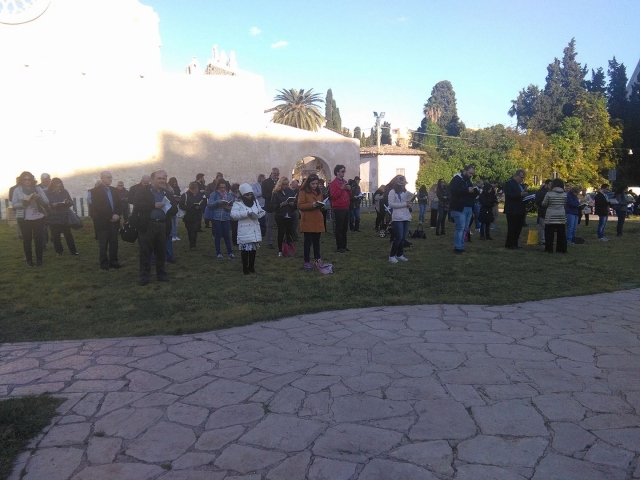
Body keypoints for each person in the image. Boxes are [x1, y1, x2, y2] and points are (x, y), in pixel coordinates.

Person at [132, 170, 176, 285]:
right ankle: (144, 277)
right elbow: (137, 206)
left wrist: (168, 207)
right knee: (145, 252)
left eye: (164, 178)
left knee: (161, 252)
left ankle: (161, 275)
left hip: (162, 225)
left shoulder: (167, 193)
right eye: (159, 178)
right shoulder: (142, 192)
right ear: (152, 180)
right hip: (147, 225)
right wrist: (153, 205)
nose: (162, 180)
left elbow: (175, 209)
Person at [12, 171, 49, 266]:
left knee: (38, 239)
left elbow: (46, 201)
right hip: (24, 218)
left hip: (38, 217)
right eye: (25, 180)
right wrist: (23, 203)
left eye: (29, 179)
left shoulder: (37, 188)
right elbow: (14, 204)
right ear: (21, 180)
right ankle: (29, 261)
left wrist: (38, 198)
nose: (27, 181)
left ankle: (39, 260)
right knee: (27, 240)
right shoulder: (17, 190)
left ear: (32, 180)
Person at [89, 171, 123, 270]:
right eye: (108, 177)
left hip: (115, 221)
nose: (110, 179)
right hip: (103, 221)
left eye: (111, 177)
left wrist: (117, 214)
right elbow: (98, 207)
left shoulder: (114, 190)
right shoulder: (95, 191)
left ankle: (114, 261)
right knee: (103, 243)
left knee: (114, 242)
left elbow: (119, 204)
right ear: (102, 178)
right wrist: (110, 216)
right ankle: (104, 262)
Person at [230, 183, 265, 274]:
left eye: (250, 194)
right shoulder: (238, 203)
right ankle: (245, 268)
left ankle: (251, 267)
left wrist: (260, 214)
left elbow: (260, 210)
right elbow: (233, 215)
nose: (249, 196)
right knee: (245, 250)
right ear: (242, 194)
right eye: (247, 194)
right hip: (244, 229)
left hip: (254, 228)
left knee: (253, 250)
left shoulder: (255, 202)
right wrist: (246, 213)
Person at [297, 174, 327, 270]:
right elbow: (300, 206)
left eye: (316, 184)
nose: (314, 185)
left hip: (317, 219)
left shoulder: (319, 192)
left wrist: (321, 206)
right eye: (313, 183)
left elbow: (321, 202)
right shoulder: (303, 192)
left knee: (317, 242)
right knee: (308, 242)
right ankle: (307, 261)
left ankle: (317, 259)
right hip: (308, 220)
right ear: (308, 183)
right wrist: (312, 205)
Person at [46, 177, 79, 256]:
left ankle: (73, 251)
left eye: (59, 186)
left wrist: (68, 202)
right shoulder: (47, 193)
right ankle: (59, 251)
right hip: (53, 216)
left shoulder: (64, 191)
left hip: (64, 216)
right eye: (56, 187)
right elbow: (45, 204)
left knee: (68, 234)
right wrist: (52, 205)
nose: (58, 188)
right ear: (52, 186)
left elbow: (71, 202)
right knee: (55, 235)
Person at [449, 166, 477, 253]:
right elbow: (453, 190)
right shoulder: (456, 179)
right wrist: (466, 190)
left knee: (465, 228)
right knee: (460, 228)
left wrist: (475, 192)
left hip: (468, 207)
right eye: (470, 173)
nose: (471, 175)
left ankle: (461, 246)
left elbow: (469, 192)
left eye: (472, 174)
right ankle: (457, 247)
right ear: (465, 171)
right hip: (459, 207)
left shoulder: (468, 181)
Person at [387, 176, 413, 263]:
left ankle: (400, 254)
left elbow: (405, 203)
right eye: (402, 185)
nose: (404, 186)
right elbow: (391, 204)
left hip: (406, 216)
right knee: (398, 237)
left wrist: (408, 204)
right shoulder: (392, 192)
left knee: (403, 238)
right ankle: (392, 256)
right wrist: (404, 204)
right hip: (397, 217)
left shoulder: (404, 192)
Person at [208, 178, 235, 259]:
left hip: (226, 218)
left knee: (227, 235)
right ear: (217, 187)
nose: (223, 189)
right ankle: (218, 253)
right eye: (221, 187)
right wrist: (218, 202)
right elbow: (209, 204)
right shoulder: (214, 194)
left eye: (224, 187)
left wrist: (229, 207)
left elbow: (231, 205)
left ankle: (230, 253)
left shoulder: (229, 195)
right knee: (218, 235)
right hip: (216, 218)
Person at [271, 176, 297, 257]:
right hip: (280, 215)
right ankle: (280, 250)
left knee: (289, 232)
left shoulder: (291, 192)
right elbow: (272, 205)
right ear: (280, 184)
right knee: (281, 232)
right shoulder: (275, 193)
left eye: (286, 184)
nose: (285, 186)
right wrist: (280, 205)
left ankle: (289, 248)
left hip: (290, 214)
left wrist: (293, 204)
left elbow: (296, 204)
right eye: (283, 184)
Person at [503, 169, 528, 250]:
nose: (522, 179)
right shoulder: (509, 183)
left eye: (523, 178)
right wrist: (520, 194)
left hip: (520, 209)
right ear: (516, 176)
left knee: (518, 227)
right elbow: (509, 195)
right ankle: (510, 244)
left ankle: (515, 243)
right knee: (512, 227)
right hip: (512, 209)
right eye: (521, 177)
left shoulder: (521, 185)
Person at [541, 178, 568, 253]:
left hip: (551, 215)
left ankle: (549, 249)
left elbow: (544, 204)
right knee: (561, 233)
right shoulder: (564, 194)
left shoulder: (549, 194)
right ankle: (561, 249)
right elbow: (565, 203)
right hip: (561, 215)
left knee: (549, 233)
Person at [329, 164, 351, 253]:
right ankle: (339, 246)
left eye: (344, 171)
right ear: (337, 172)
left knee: (345, 227)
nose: (344, 173)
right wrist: (341, 188)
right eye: (342, 171)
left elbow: (349, 195)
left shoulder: (345, 181)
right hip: (338, 207)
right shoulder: (333, 183)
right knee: (339, 228)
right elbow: (333, 196)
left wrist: (349, 189)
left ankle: (344, 245)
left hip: (345, 206)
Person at [179, 181, 206, 250]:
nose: (196, 191)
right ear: (191, 189)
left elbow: (203, 205)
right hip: (188, 216)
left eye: (196, 189)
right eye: (194, 190)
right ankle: (192, 245)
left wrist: (199, 207)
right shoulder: (185, 195)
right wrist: (190, 207)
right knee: (190, 230)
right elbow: (181, 205)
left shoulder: (200, 196)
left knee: (195, 230)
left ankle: (193, 244)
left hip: (197, 216)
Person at [261, 167, 280, 248]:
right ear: (271, 173)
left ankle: (281, 240)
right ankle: (269, 242)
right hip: (270, 207)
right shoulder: (265, 182)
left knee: (280, 225)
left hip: (279, 206)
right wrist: (273, 194)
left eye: (277, 174)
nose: (276, 176)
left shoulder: (280, 181)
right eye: (275, 174)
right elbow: (264, 195)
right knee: (270, 225)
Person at [535, 179, 552, 246]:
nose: (551, 186)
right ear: (546, 184)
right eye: (550, 185)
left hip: (548, 211)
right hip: (543, 210)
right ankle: (543, 240)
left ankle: (546, 239)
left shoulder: (549, 192)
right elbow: (538, 201)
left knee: (547, 226)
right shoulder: (541, 192)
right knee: (542, 226)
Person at [168, 177, 181, 241]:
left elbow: (179, 194)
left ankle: (175, 235)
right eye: (173, 182)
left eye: (175, 182)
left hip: (176, 205)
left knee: (176, 222)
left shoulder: (177, 188)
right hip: (171, 206)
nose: (175, 183)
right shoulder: (168, 188)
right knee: (172, 222)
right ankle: (172, 235)